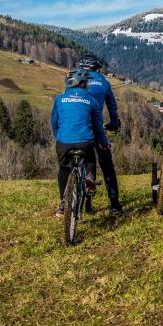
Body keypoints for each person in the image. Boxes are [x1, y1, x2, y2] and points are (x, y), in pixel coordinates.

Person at [51, 69, 108, 217]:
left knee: (64, 169)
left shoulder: (60, 99)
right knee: (90, 157)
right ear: (81, 84)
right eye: (86, 82)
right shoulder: (91, 100)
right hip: (85, 142)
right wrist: (103, 142)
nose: (88, 85)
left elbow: (54, 122)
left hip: (63, 142)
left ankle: (63, 204)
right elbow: (98, 124)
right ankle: (89, 177)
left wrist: (59, 136)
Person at [79, 55, 124, 215]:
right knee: (107, 166)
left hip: (77, 128)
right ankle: (114, 205)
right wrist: (113, 124)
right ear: (98, 69)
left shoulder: (75, 80)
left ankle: (76, 202)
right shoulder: (104, 82)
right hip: (97, 128)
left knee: (81, 162)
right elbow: (112, 106)